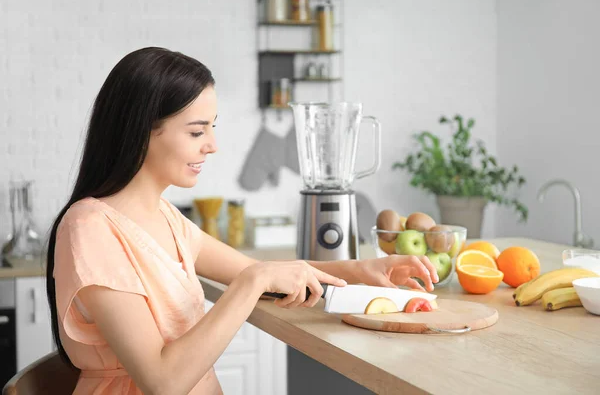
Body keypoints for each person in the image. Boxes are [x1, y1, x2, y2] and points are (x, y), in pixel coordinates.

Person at [46, 47, 438, 395]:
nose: (212, 145)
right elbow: (162, 382)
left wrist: (358, 270)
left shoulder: (165, 216)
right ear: (141, 130)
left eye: (212, 127)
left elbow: (261, 272)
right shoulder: (91, 229)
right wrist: (253, 282)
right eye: (197, 130)